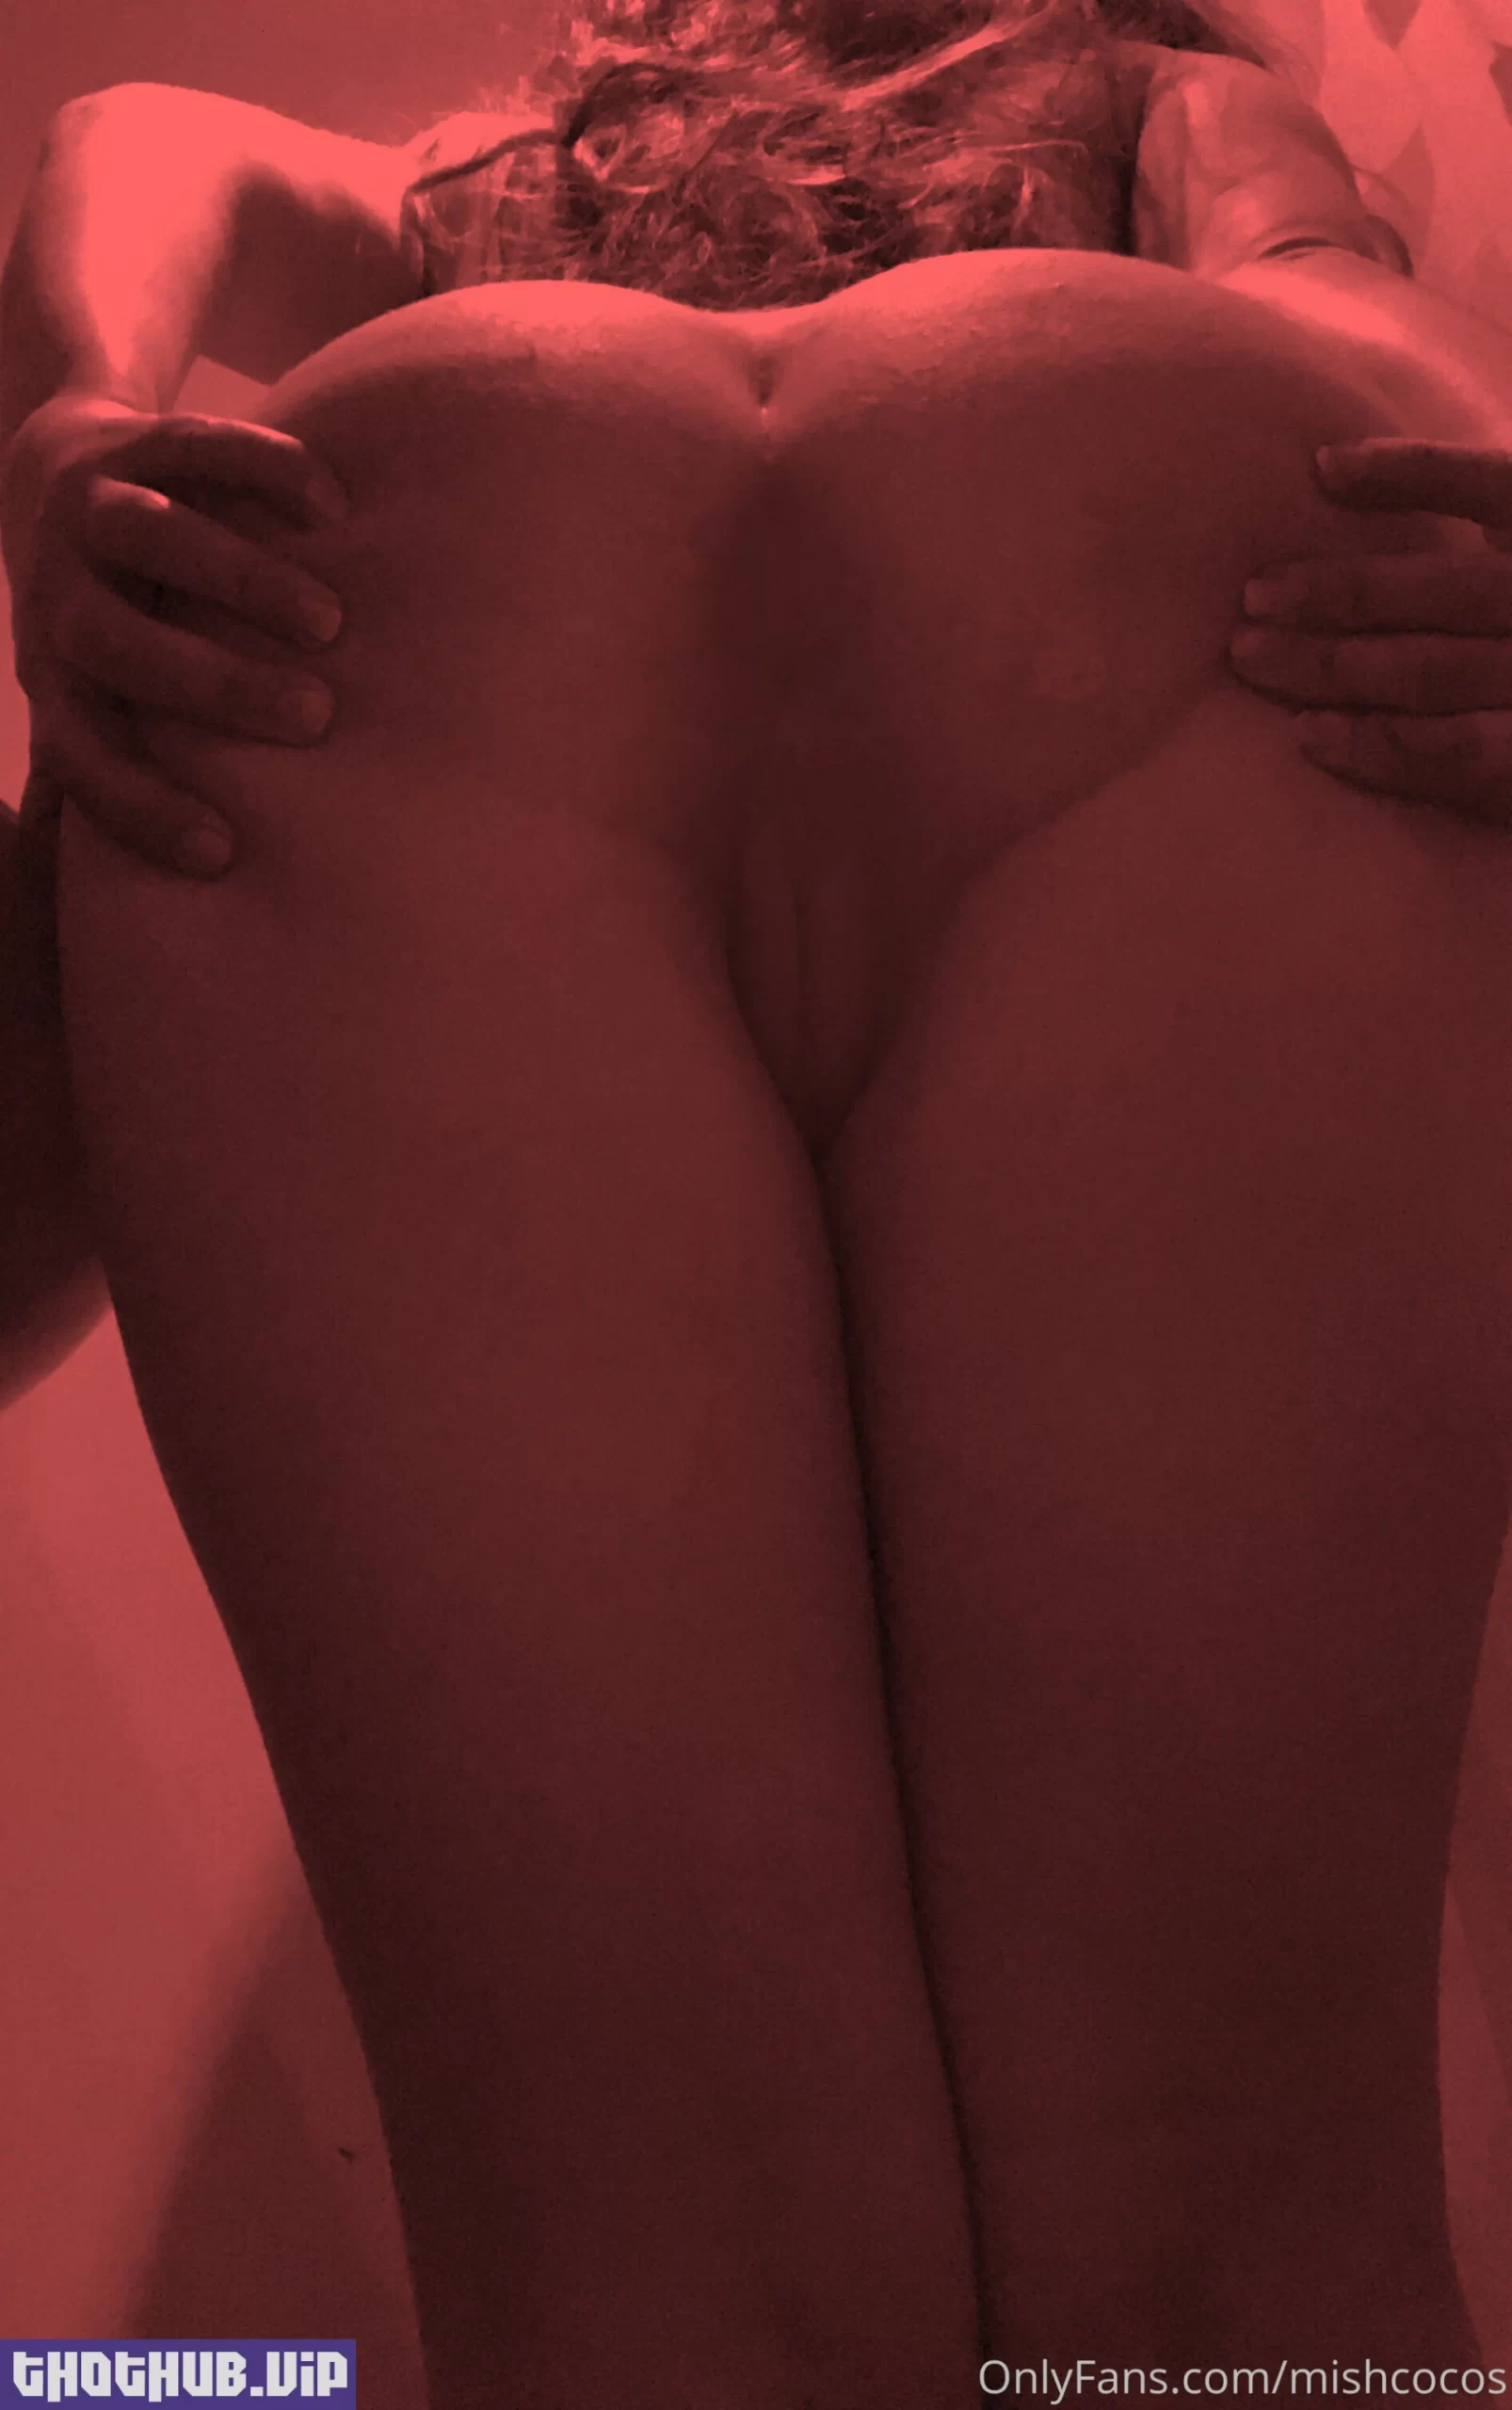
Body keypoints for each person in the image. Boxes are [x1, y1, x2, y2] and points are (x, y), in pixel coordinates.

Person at [7, 0, 1512, 2397]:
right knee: (1220, 2256)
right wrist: (1471, 467)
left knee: (652, 2279)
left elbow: (134, 132)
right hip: (1108, 485)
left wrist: (79, 408)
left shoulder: (480, 183)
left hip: (458, 543)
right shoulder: (1133, 87)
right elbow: (1314, 287)